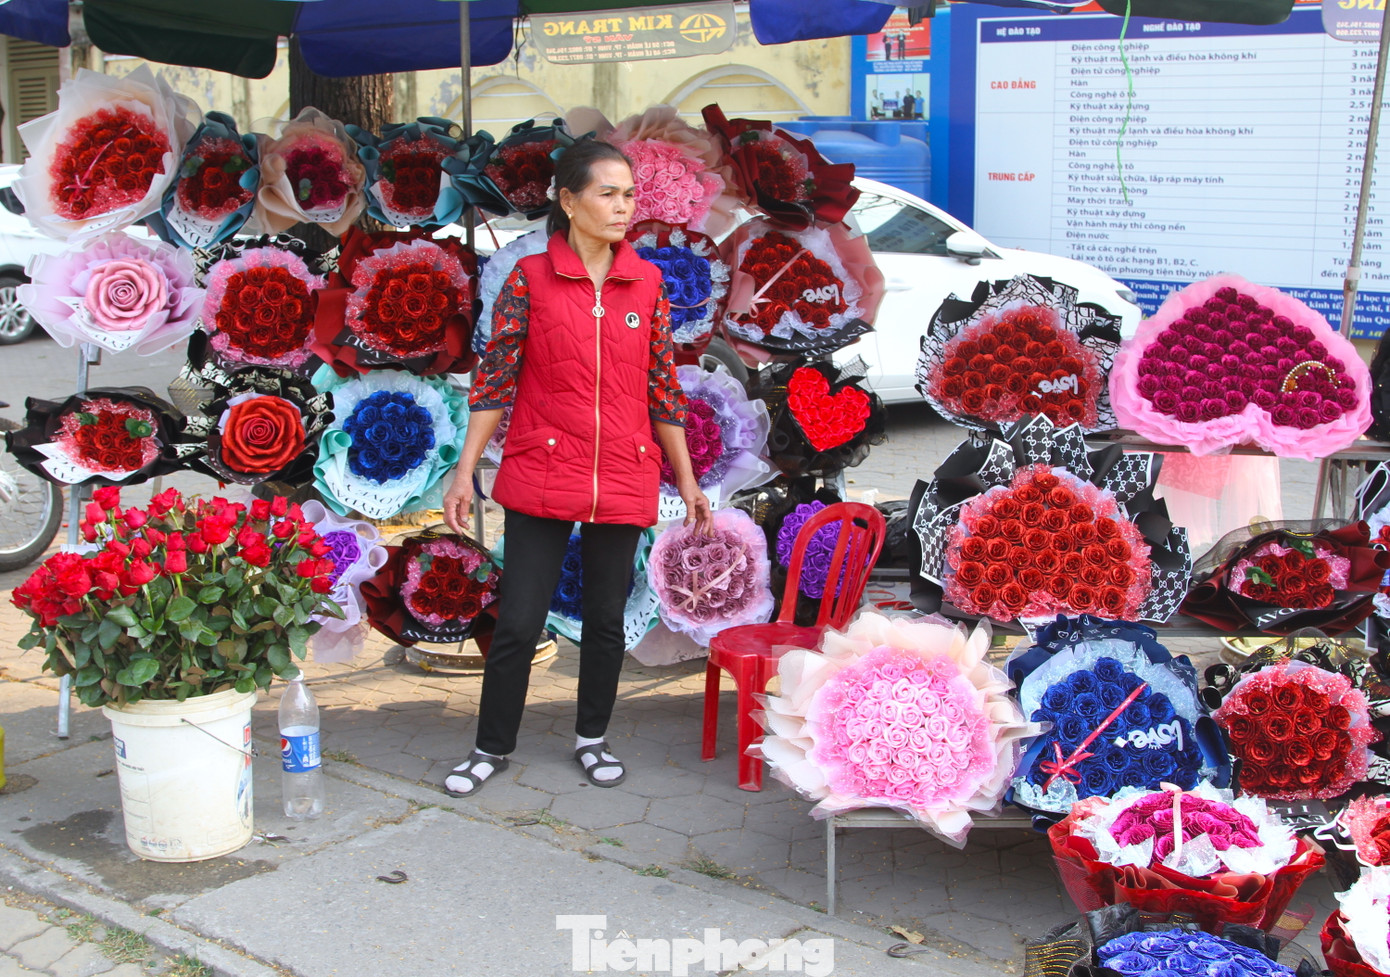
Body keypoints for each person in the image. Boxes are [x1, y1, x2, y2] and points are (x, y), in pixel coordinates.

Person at [439, 139, 714, 796]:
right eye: (607, 193)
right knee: (519, 621)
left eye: (628, 195)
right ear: (569, 200)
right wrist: (463, 470)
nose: (623, 207)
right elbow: (495, 381)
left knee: (606, 619)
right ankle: (490, 745)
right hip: (541, 469)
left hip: (624, 469)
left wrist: (688, 480)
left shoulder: (645, 283)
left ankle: (592, 736)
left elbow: (662, 388)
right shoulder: (528, 279)